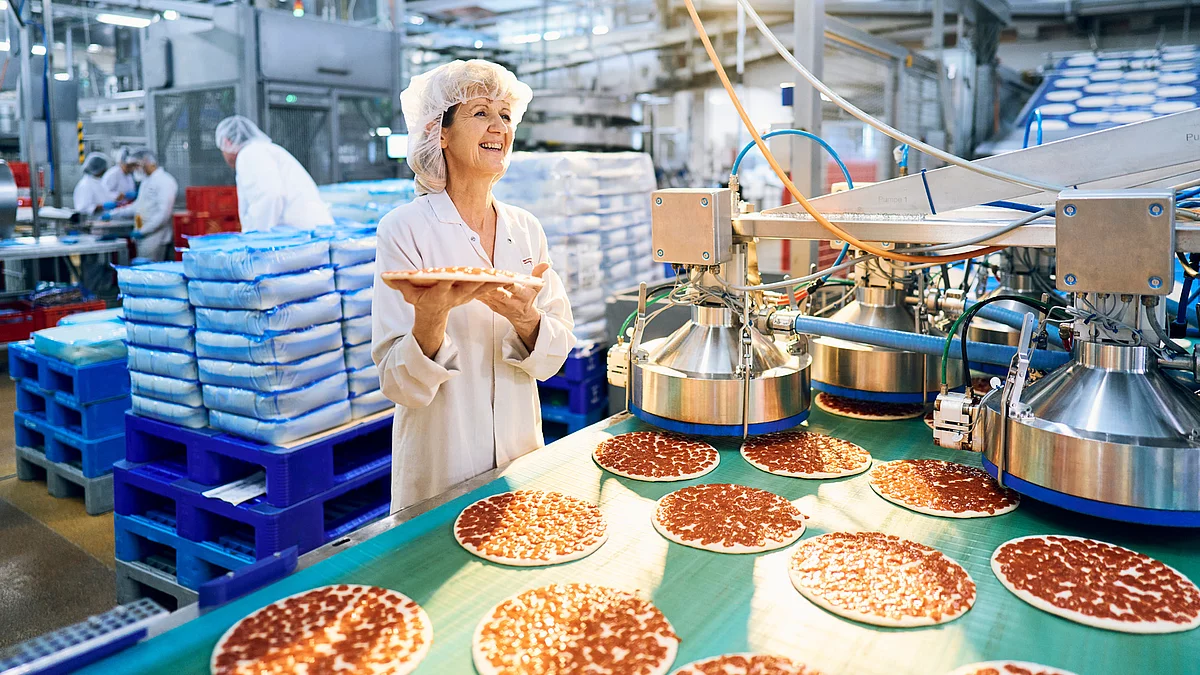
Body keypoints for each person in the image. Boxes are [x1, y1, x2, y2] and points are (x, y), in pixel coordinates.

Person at [373, 60, 575, 512]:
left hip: (520, 463)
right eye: (480, 112)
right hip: (439, 468)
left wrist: (527, 319)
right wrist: (429, 322)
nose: (498, 126)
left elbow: (555, 357)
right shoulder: (405, 229)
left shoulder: (526, 229)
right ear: (439, 132)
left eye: (506, 114)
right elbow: (397, 384)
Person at [214, 115, 333, 232]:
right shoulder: (264, 150)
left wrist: (257, 238)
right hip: (310, 230)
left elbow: (269, 195)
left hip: (301, 233)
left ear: (227, 142)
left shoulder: (249, 154)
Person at [105, 149, 178, 261]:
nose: (136, 169)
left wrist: (144, 231)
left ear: (150, 163)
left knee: (152, 272)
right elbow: (137, 206)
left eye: (138, 165)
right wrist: (113, 214)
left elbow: (163, 214)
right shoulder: (146, 181)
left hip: (155, 237)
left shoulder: (165, 181)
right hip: (143, 235)